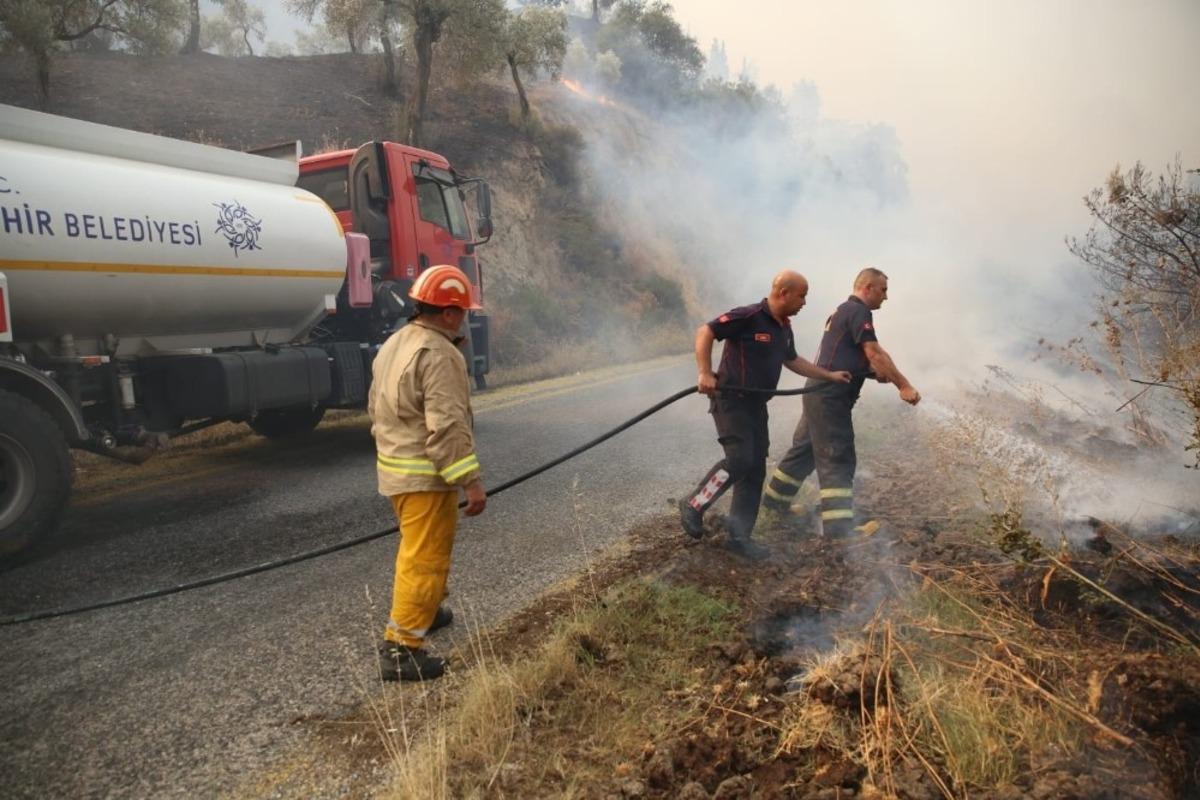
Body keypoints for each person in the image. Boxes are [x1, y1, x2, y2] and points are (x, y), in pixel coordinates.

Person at [368, 264, 488, 682]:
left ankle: (429, 610)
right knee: (425, 558)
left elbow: (375, 411)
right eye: (464, 312)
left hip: (396, 475)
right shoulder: (440, 354)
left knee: (417, 548)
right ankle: (401, 648)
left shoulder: (394, 343)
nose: (465, 320)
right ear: (451, 313)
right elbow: (448, 427)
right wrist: (470, 482)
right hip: (425, 478)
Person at [679, 270, 852, 558]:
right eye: (802, 295)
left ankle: (739, 537)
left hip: (757, 405)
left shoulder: (784, 327)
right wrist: (704, 372)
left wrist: (829, 376)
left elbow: (792, 360)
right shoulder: (747, 316)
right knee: (740, 459)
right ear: (784, 293)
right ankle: (695, 503)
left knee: (755, 469)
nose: (805, 302)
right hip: (731, 399)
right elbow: (705, 332)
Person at [761, 267, 920, 537]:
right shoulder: (858, 311)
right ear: (867, 288)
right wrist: (903, 385)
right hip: (829, 396)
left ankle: (773, 505)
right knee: (838, 456)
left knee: (805, 452)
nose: (886, 297)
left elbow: (845, 356)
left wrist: (870, 372)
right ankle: (839, 528)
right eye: (883, 290)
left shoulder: (843, 311)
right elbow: (874, 351)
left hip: (818, 392)